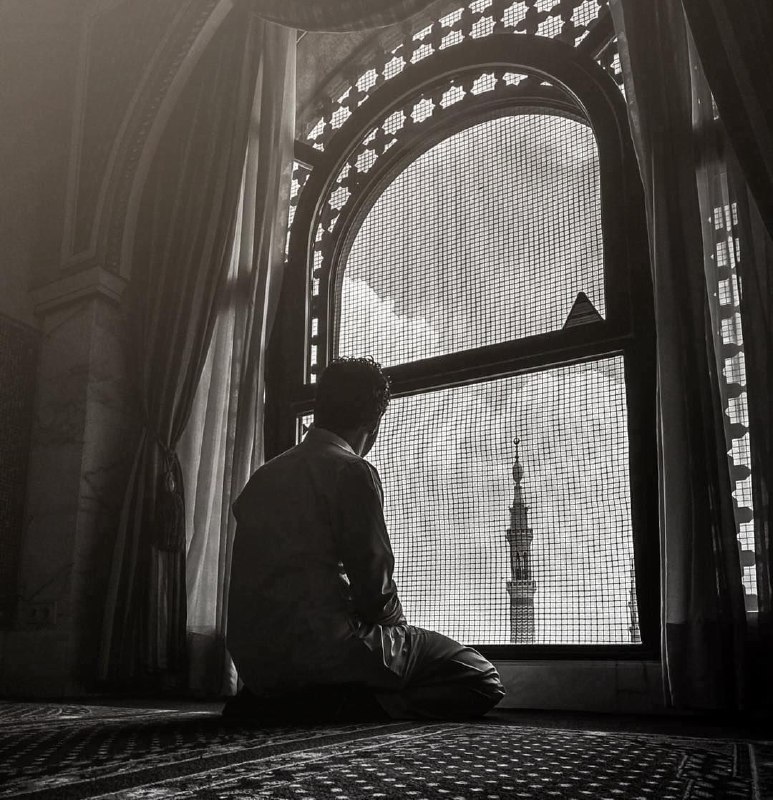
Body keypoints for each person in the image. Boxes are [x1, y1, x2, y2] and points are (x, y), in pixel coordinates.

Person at [225, 356, 505, 721]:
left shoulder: (262, 478)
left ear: (319, 407)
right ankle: (348, 706)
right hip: (323, 650)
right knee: (481, 678)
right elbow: (376, 594)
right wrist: (398, 633)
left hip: (255, 661)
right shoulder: (352, 472)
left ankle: (286, 700)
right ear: (373, 424)